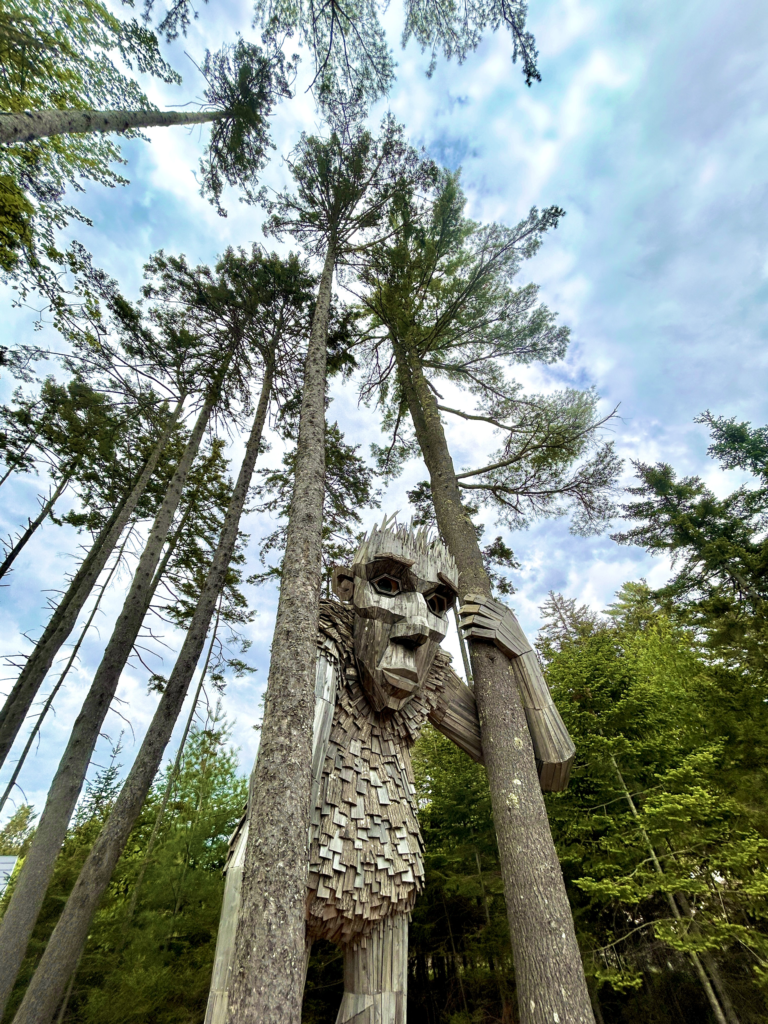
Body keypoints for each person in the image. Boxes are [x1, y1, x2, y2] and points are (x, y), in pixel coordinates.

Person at [205, 517, 574, 1024]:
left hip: (389, 873)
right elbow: (298, 755)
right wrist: (274, 854)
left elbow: (546, 771)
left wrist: (522, 655)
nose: (418, 622)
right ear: (346, 586)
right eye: (388, 584)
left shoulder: (432, 676)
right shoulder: (323, 641)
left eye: (437, 603)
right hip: (287, 857)